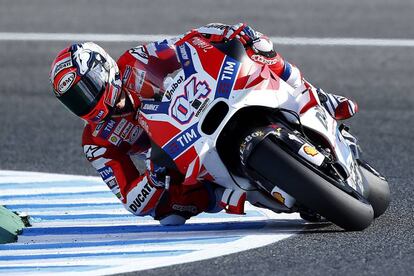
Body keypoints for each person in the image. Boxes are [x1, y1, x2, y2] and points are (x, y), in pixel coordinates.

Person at [49, 23, 358, 226]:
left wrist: (221, 35)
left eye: (87, 89)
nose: (87, 102)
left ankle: (314, 94)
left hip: (197, 109)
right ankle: (237, 194)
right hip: (172, 158)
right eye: (76, 99)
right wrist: (154, 179)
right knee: (169, 215)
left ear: (104, 69)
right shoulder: (96, 142)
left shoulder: (136, 60)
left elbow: (184, 47)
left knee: (257, 45)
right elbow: (133, 200)